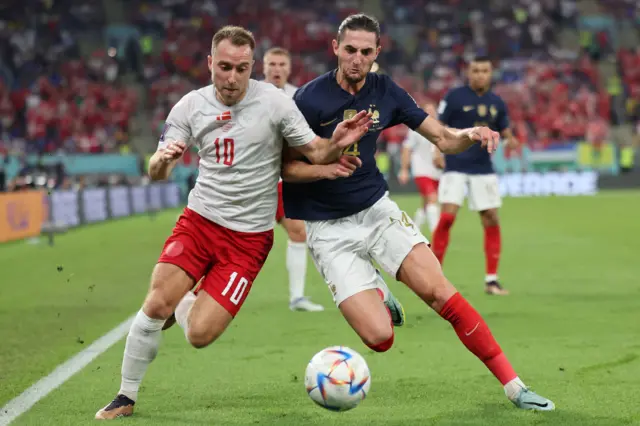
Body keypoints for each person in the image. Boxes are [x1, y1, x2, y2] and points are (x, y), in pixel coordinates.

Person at [95, 25, 373, 420]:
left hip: (249, 241)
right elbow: (155, 170)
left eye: (242, 68)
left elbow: (314, 151)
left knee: (199, 335)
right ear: (210, 63)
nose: (232, 77)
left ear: (252, 67)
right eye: (224, 67)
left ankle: (186, 301)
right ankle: (125, 395)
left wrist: (336, 142)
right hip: (200, 222)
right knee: (155, 301)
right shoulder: (190, 106)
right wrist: (163, 159)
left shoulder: (275, 103)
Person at [282, 14, 554, 411]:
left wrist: (470, 134)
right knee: (380, 339)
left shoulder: (386, 91)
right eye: (350, 50)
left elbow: (442, 137)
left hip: (376, 211)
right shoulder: (308, 100)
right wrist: (325, 166)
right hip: (328, 229)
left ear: (377, 52)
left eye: (366, 51)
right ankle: (377, 286)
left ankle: (515, 386)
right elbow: (286, 167)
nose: (357, 59)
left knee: (440, 292)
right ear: (335, 48)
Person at [430, 56, 519, 295]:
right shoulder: (454, 97)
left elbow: (505, 130)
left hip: (482, 168)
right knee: (447, 217)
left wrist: (511, 140)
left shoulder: (497, 102)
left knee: (491, 217)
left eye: (485, 70)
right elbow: (437, 125)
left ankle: (491, 280)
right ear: (469, 73)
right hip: (455, 164)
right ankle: (433, 276)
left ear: (491, 73)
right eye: (476, 70)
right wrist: (435, 149)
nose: (480, 74)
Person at [263, 46, 323, 312]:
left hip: (282, 181)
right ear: (263, 67)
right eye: (272, 64)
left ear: (289, 68)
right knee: (228, 237)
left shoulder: (299, 98)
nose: (276, 69)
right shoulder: (251, 94)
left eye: (281, 64)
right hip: (252, 182)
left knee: (299, 232)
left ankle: (297, 297)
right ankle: (197, 290)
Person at [398, 102, 443, 233]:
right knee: (432, 199)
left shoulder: (441, 128)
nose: (431, 113)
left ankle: (414, 229)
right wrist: (404, 169)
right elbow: (407, 149)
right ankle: (436, 233)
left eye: (432, 110)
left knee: (426, 203)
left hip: (437, 172)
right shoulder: (416, 129)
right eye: (427, 111)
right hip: (421, 170)